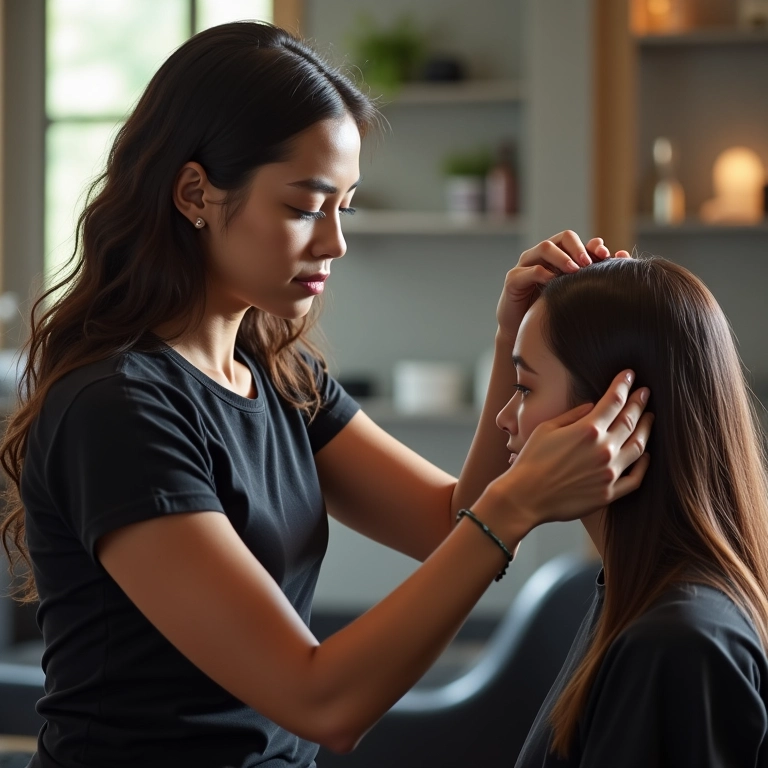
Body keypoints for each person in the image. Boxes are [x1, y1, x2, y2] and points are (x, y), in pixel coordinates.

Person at [0, 22, 652, 768]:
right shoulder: (116, 410)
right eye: (305, 206)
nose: (335, 242)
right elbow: (322, 703)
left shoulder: (279, 375)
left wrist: (513, 334)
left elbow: (448, 524)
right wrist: (516, 506)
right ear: (196, 194)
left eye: (344, 205)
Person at [500, 256, 768, 768]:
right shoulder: (638, 599)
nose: (503, 418)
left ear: (616, 415)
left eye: (524, 388)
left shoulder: (677, 645)